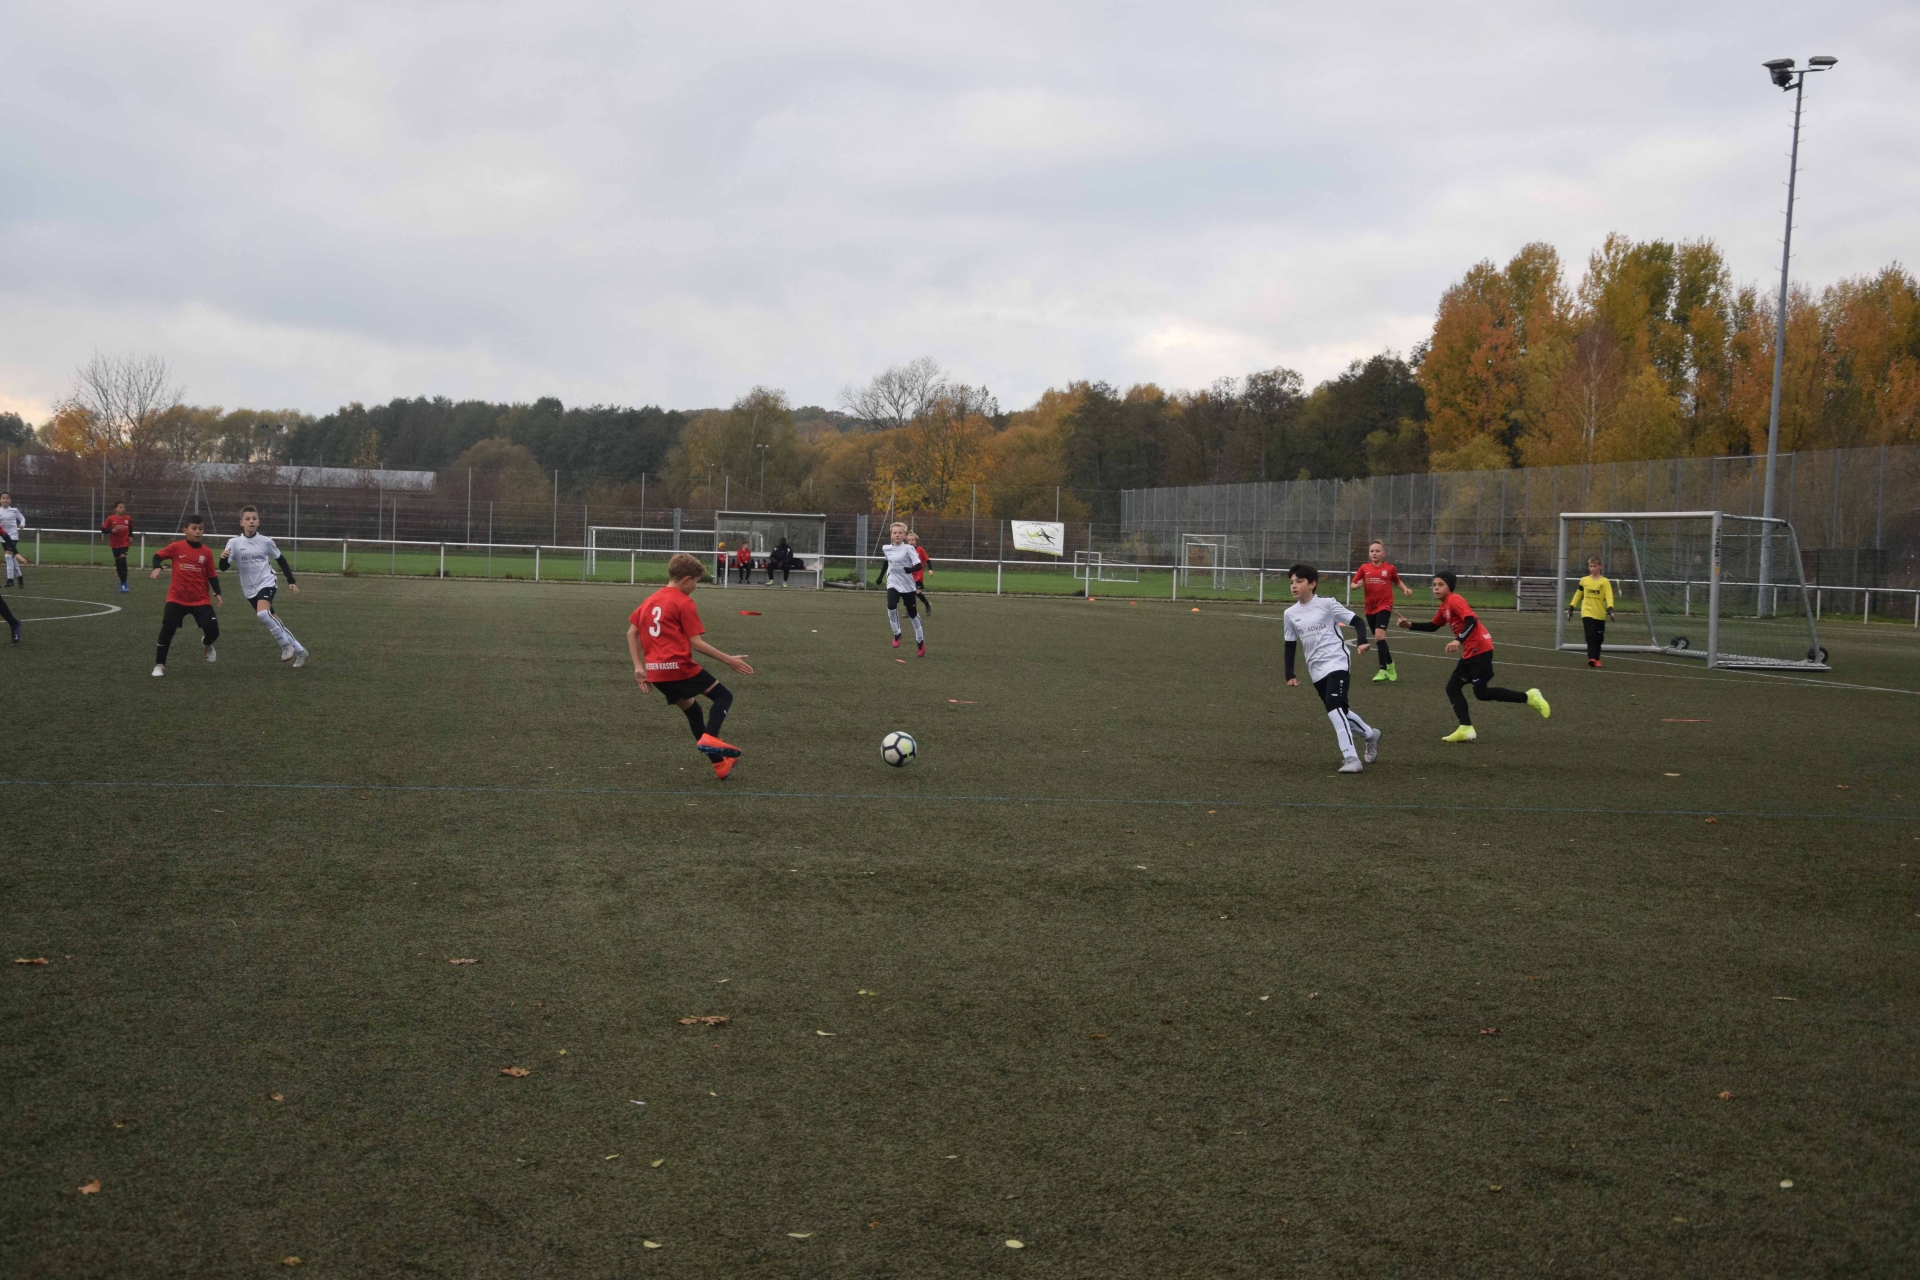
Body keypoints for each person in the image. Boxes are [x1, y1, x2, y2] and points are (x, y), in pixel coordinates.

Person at [629, 551, 754, 780]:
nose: (696, 587)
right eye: (696, 582)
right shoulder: (683, 602)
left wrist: (639, 668)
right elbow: (697, 643)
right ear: (687, 579)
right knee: (724, 696)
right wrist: (729, 660)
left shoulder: (650, 600)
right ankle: (711, 737)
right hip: (678, 667)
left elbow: (631, 633)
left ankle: (720, 764)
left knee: (693, 711)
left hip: (656, 673)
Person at [1396, 571, 1549, 742]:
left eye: (1440, 584)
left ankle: (1529, 697)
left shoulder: (1454, 600)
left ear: (1450, 587)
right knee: (1454, 687)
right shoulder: (1444, 607)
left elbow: (1471, 620)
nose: (1436, 588)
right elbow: (1433, 626)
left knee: (1480, 693)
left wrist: (1458, 640)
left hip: (1481, 649)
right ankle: (1466, 728)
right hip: (1471, 652)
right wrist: (1410, 625)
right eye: (1434, 585)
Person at [1283, 563, 1381, 774]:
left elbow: (1358, 621)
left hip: (1337, 662)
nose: (1294, 586)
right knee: (1339, 710)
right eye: (1291, 582)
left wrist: (1362, 640)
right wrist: (1289, 674)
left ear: (1312, 584)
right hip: (1316, 669)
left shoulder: (1327, 604)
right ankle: (1371, 735)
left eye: (1299, 581)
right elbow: (1290, 644)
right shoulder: (1290, 614)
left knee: (1334, 708)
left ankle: (1351, 758)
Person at [221, 505, 309, 668]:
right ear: (241, 522)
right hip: (249, 588)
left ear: (258, 522)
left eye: (254, 519)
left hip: (267, 582)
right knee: (273, 620)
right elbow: (223, 567)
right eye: (247, 519)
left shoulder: (266, 541)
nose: (251, 521)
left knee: (262, 613)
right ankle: (301, 650)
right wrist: (223, 558)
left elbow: (281, 560)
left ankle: (285, 645)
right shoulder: (233, 543)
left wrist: (291, 580)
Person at [150, 514, 222, 677]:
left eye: (201, 528)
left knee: (213, 631)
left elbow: (211, 574)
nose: (198, 532)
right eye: (194, 528)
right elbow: (158, 556)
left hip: (200, 599)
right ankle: (160, 665)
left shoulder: (207, 552)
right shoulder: (176, 547)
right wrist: (156, 566)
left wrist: (217, 592)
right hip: (177, 598)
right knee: (167, 630)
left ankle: (206, 643)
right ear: (185, 530)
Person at [1349, 540, 1411, 681]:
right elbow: (1352, 584)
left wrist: (1405, 589)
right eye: (1372, 551)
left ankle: (1383, 670)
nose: (1374, 553)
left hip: (1385, 605)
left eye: (1377, 551)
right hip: (1370, 607)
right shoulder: (1364, 568)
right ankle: (1390, 664)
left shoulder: (1389, 568)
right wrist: (1357, 586)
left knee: (1378, 637)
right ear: (1369, 553)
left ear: (1383, 553)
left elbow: (1397, 581)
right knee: (1379, 639)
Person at [881, 522, 925, 655]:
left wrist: (909, 570)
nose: (897, 535)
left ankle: (920, 641)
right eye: (895, 533)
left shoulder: (908, 549)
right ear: (891, 534)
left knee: (912, 613)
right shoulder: (886, 548)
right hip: (893, 583)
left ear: (904, 535)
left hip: (907, 585)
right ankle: (897, 633)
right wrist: (880, 577)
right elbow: (887, 563)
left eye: (900, 533)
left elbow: (918, 565)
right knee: (891, 606)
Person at [1566, 556, 1617, 667]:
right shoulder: (1584, 580)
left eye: (1595, 566)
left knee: (1599, 638)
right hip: (1587, 611)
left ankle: (1597, 659)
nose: (1592, 568)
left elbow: (1609, 595)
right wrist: (1571, 606)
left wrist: (1610, 607)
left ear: (1600, 567)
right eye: (1590, 566)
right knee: (1590, 635)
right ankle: (1592, 658)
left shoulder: (1605, 581)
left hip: (1600, 613)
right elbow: (1578, 594)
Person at [101, 501, 134, 592]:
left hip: (124, 543)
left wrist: (131, 536)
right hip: (115, 544)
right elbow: (103, 530)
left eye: (123, 507)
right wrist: (111, 530)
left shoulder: (128, 518)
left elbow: (130, 528)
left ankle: (124, 583)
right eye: (120, 507)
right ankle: (122, 582)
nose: (122, 509)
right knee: (118, 563)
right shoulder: (111, 518)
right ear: (115, 509)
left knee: (123, 560)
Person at [0, 493, 26, 589]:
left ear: (10, 500)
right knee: (12, 558)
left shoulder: (14, 510)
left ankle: (10, 579)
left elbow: (22, 518)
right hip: (3, 537)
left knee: (7, 556)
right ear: (0, 500)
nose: (5, 500)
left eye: (7, 498)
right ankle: (20, 578)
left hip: (13, 536)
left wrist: (22, 524)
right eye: (3, 498)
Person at [907, 530, 933, 616]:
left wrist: (930, 569)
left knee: (917, 592)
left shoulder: (920, 550)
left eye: (913, 540)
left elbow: (927, 560)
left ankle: (927, 604)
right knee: (909, 593)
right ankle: (910, 609)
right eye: (909, 540)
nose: (911, 541)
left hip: (918, 574)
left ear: (916, 541)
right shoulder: (906, 550)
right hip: (909, 575)